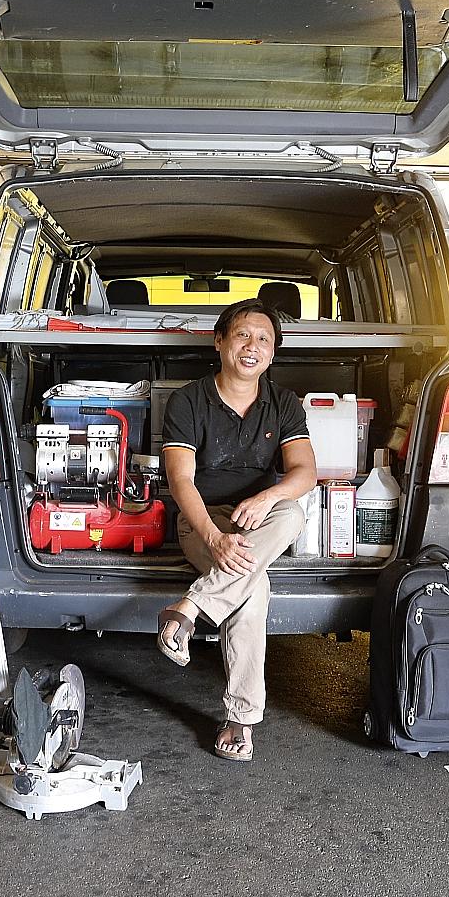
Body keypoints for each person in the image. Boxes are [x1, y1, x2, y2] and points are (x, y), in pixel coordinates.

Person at [156, 297, 318, 762]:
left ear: (272, 353)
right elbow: (180, 480)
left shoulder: (283, 403)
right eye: (243, 335)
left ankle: (190, 607)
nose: (253, 346)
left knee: (292, 513)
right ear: (220, 341)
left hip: (258, 519)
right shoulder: (189, 400)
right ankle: (242, 719)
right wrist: (212, 536)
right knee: (254, 587)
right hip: (203, 519)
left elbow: (304, 473)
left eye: (264, 339)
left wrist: (266, 497)